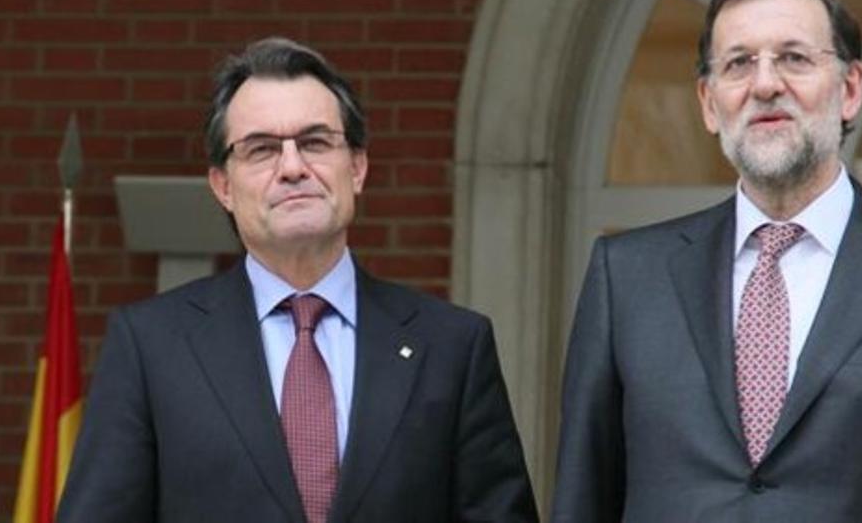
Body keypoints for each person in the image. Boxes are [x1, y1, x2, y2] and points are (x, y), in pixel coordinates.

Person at [551, 0, 862, 523]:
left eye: (794, 58)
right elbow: (582, 502)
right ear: (708, 102)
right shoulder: (625, 277)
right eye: (738, 63)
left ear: (849, 89)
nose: (766, 83)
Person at [59, 37, 538, 523]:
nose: (292, 168)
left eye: (314, 142)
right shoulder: (151, 345)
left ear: (357, 167)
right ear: (223, 186)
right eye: (261, 149)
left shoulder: (453, 346)